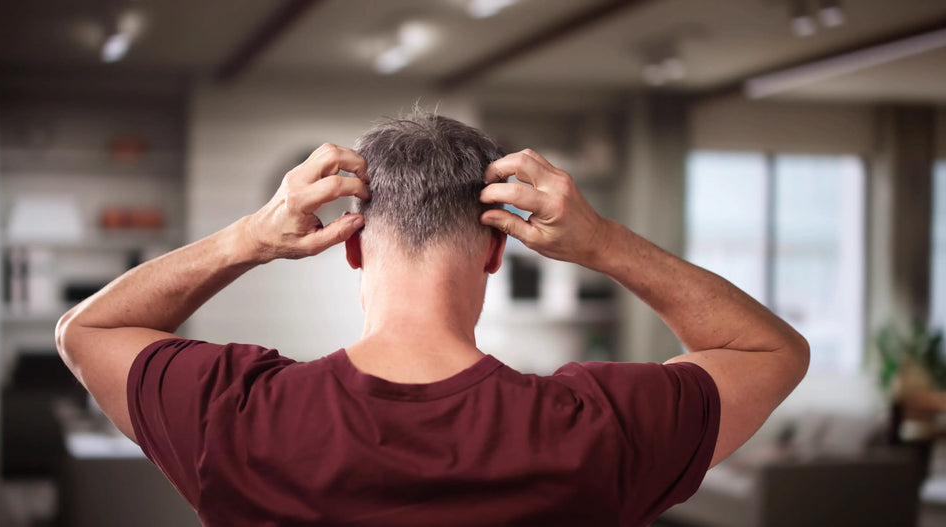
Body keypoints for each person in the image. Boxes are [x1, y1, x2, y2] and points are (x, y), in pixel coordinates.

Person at [55, 111, 809, 526]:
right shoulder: (593, 430)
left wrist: (248, 235)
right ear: (495, 255)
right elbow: (772, 350)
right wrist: (606, 242)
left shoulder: (240, 416)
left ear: (349, 248)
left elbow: (85, 331)